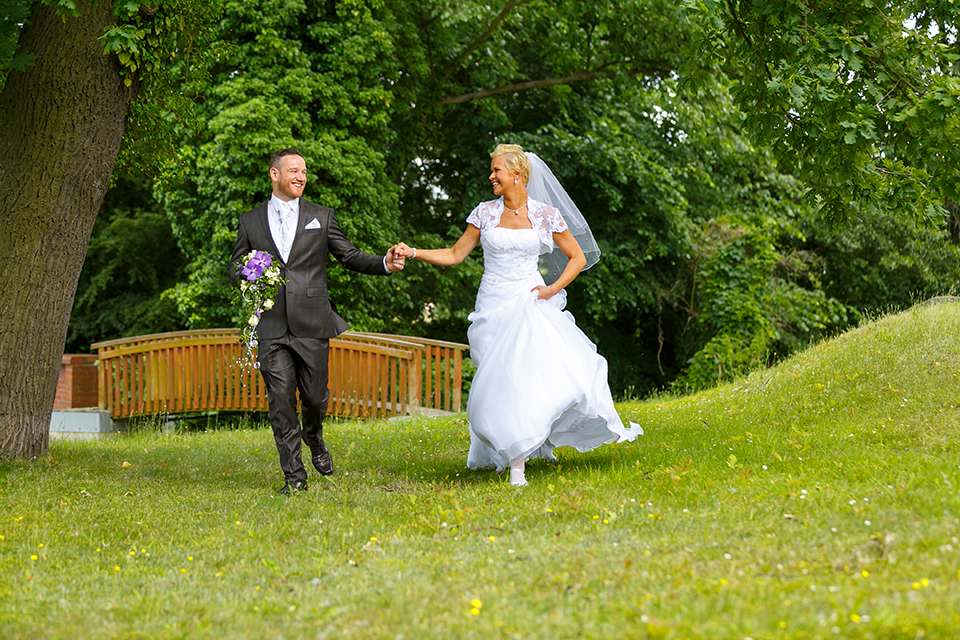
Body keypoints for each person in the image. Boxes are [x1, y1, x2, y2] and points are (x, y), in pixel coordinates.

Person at [394, 144, 641, 486]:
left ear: (517, 175)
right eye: (492, 170)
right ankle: (507, 447)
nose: (491, 175)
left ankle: (518, 463)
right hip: (492, 305)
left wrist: (552, 290)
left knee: (524, 379)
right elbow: (454, 254)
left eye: (496, 170)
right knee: (498, 383)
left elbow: (578, 258)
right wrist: (414, 251)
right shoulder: (483, 213)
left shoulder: (544, 215)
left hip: (529, 301)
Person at [230, 148, 405, 495]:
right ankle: (294, 478)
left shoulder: (321, 216)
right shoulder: (249, 221)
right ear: (274, 175)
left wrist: (384, 262)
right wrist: (251, 274)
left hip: (312, 322)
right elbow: (235, 268)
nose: (301, 177)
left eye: (304, 172)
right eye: (293, 170)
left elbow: (349, 256)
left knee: (313, 398)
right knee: (281, 402)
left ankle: (315, 436)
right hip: (271, 326)